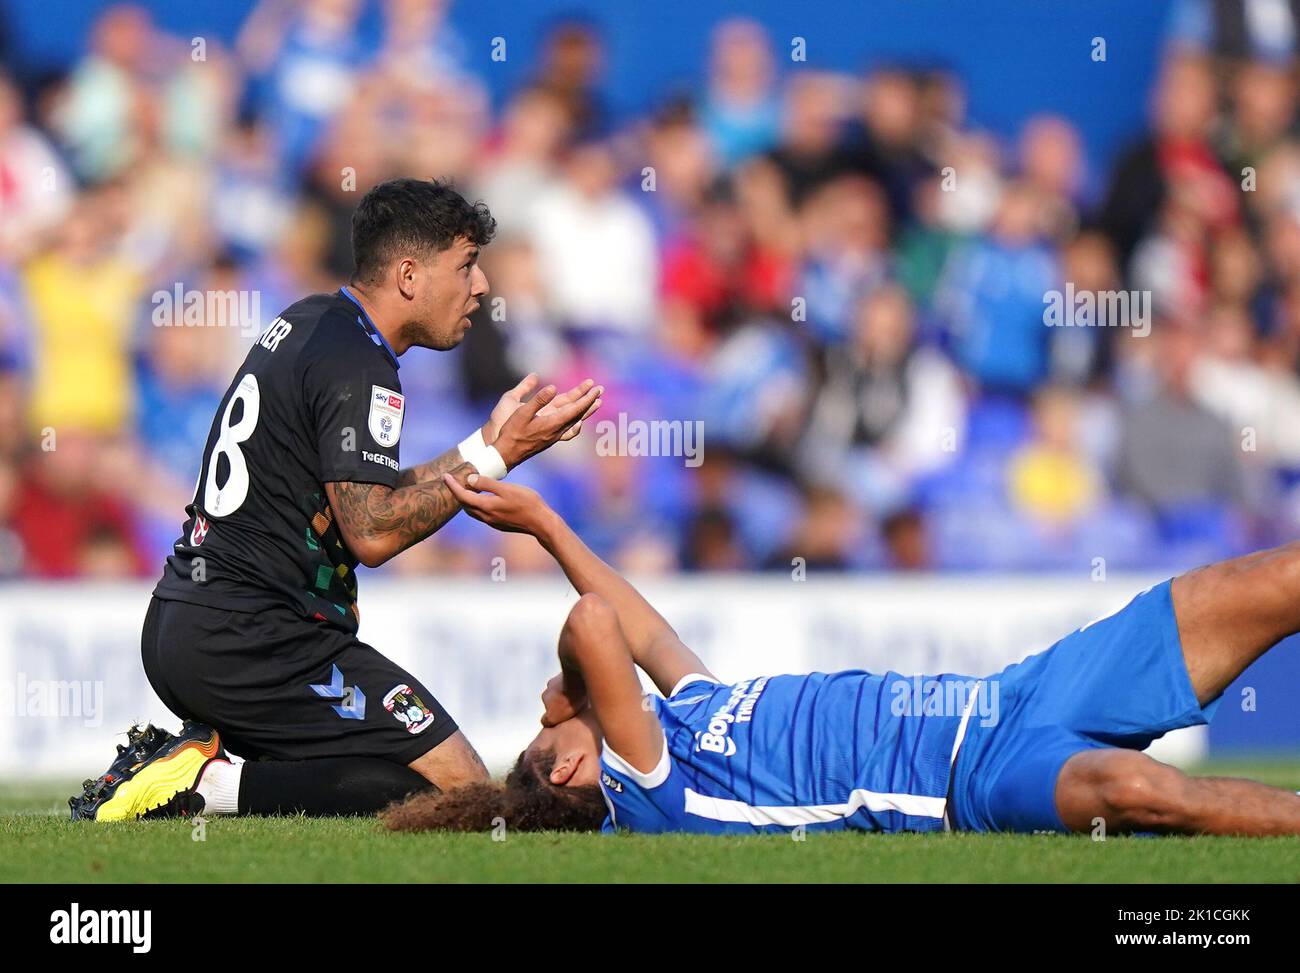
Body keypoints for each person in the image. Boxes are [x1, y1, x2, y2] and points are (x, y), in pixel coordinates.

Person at [70, 178, 602, 821]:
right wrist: (502, 458)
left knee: (401, 782)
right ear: (409, 274)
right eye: (465, 265)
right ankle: (198, 787)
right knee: (468, 796)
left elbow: (367, 494)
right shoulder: (360, 363)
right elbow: (372, 533)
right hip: (254, 635)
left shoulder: (312, 322)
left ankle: (210, 776)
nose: (482, 285)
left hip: (198, 621)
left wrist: (484, 443)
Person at [384, 472, 1300, 837]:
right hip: (976, 775)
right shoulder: (648, 783)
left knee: (1260, 581)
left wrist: (546, 520)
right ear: (575, 761)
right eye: (562, 725)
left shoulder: (685, 725)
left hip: (1011, 691)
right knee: (1143, 794)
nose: (562, 713)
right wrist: (572, 683)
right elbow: (593, 622)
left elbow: (641, 623)